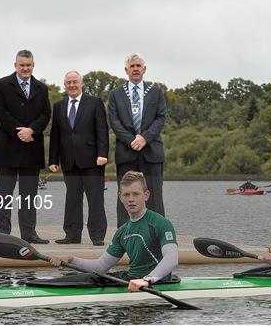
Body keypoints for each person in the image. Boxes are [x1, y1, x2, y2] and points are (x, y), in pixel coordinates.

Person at [49, 171, 179, 292]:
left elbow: (172, 259)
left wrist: (147, 280)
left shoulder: (160, 223)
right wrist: (71, 260)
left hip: (156, 282)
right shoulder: (122, 231)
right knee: (83, 275)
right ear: (120, 197)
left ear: (146, 195)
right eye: (126, 194)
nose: (131, 199)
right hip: (132, 279)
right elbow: (101, 266)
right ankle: (37, 284)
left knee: (90, 279)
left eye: (136, 194)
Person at [0, 50, 51, 244]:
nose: (25, 68)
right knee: (4, 194)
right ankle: (3, 233)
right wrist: (20, 131)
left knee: (29, 195)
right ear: (15, 65)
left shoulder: (42, 88)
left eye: (29, 65)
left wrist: (31, 130)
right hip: (7, 146)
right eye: (22, 65)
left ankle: (29, 233)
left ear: (33, 65)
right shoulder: (2, 85)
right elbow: (1, 113)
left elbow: (45, 115)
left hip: (32, 148)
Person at [49, 71, 109, 246]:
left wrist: (103, 154)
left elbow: (102, 130)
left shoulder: (95, 102)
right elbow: (55, 135)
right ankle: (72, 235)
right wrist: (53, 160)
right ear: (65, 84)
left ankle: (97, 236)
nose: (72, 85)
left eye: (75, 82)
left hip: (93, 160)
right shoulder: (59, 106)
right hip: (69, 161)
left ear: (82, 83)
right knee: (72, 200)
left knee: (95, 199)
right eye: (69, 82)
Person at [108, 54, 167, 227]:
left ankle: (157, 235)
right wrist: (132, 140)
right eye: (132, 66)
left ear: (144, 69)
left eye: (138, 65)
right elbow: (113, 120)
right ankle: (126, 238)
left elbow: (161, 118)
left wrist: (145, 138)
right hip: (127, 153)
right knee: (126, 196)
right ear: (126, 70)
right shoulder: (116, 94)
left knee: (154, 196)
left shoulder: (156, 92)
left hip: (152, 152)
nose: (135, 69)